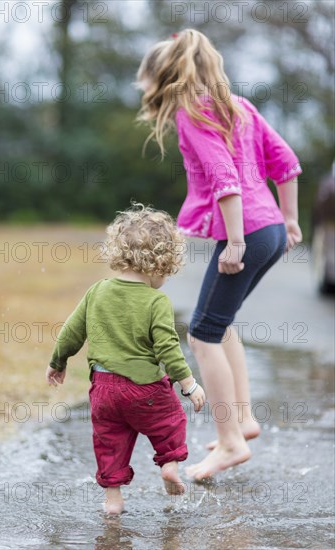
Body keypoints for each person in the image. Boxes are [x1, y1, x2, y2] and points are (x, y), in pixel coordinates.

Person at [136, 29, 303, 480]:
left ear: (163, 77)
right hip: (268, 228)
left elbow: (225, 180)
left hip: (247, 232)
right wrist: (289, 219)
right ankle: (243, 420)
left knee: (203, 335)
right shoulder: (239, 106)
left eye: (144, 81)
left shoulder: (192, 113)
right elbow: (284, 160)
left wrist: (235, 242)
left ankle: (230, 442)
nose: (143, 90)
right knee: (220, 324)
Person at [45, 204, 206, 514]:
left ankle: (113, 498)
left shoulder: (97, 291)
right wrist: (189, 384)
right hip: (145, 389)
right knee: (170, 421)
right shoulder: (156, 300)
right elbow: (168, 349)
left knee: (109, 441)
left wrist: (58, 362)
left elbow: (70, 332)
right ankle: (170, 465)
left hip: (103, 390)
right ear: (160, 263)